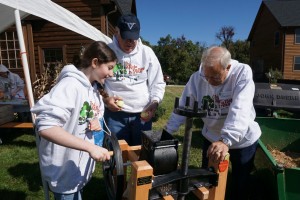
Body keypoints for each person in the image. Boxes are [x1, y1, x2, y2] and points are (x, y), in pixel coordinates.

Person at [165, 46, 261, 200]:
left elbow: (240, 108)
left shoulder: (242, 73)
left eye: (215, 77)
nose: (209, 81)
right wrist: (168, 131)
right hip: (211, 137)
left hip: (242, 139)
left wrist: (226, 139)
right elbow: (184, 105)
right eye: (206, 76)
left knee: (239, 182)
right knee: (208, 180)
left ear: (227, 67)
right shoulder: (197, 77)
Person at [31, 41, 116, 200]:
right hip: (65, 172)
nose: (112, 73)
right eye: (110, 68)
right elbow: (46, 127)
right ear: (95, 62)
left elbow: (84, 111)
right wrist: (90, 148)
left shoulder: (93, 89)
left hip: (77, 170)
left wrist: (95, 120)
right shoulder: (70, 85)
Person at [102, 13, 166, 146]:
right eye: (126, 38)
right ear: (117, 32)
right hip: (115, 115)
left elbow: (158, 82)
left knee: (142, 156)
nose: (130, 42)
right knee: (116, 157)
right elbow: (96, 82)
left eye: (133, 38)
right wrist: (106, 100)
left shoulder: (147, 53)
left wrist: (155, 102)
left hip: (142, 114)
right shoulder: (106, 51)